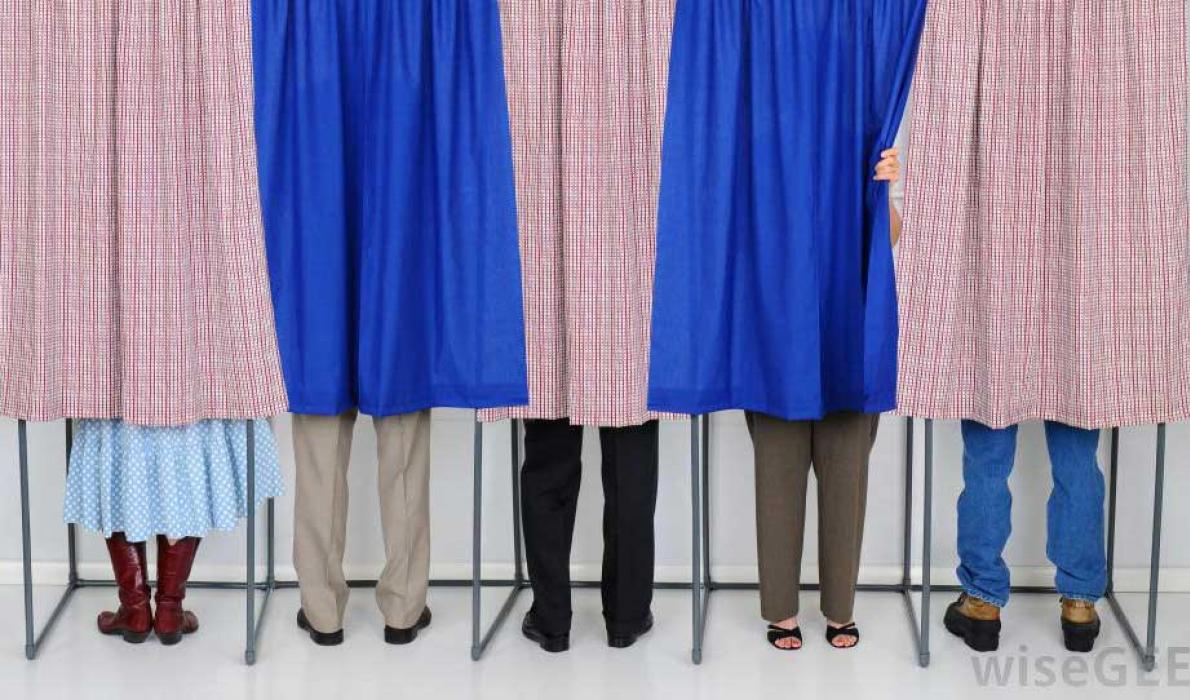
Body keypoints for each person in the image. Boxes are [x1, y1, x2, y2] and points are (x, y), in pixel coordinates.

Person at [756, 149, 903, 651]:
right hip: (780, 351)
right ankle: (781, 609)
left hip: (845, 347)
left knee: (846, 483)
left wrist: (883, 190)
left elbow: (891, 237)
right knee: (778, 480)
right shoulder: (767, 165)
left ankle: (840, 608)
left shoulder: (860, 150)